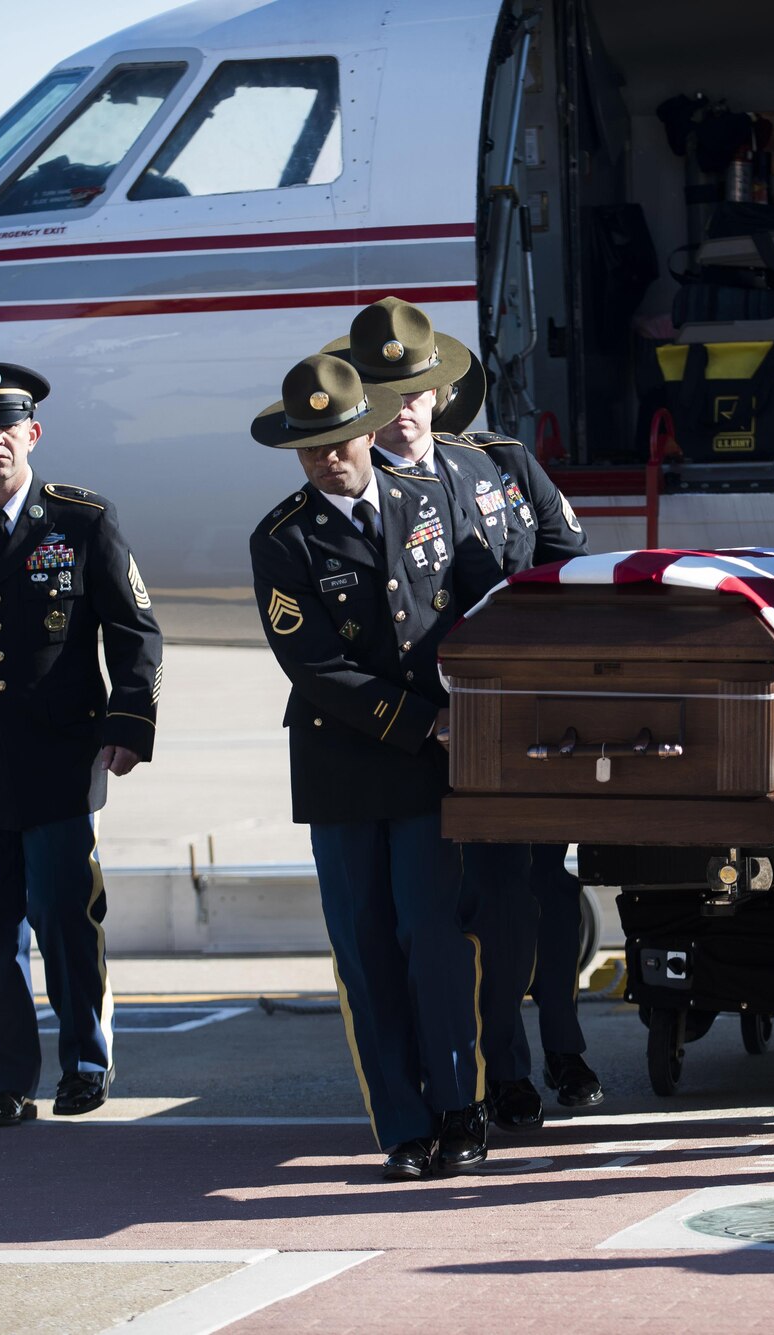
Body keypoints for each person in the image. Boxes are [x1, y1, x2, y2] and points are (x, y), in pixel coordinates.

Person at [326, 297, 591, 1131]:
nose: (403, 410)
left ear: (440, 393)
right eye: (384, 392)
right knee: (469, 907)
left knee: (539, 893)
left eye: (416, 390)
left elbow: (564, 563)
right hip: (426, 731)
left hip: (519, 720)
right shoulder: (371, 495)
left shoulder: (501, 462)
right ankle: (503, 1069)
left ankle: (563, 1046)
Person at [248, 352, 503, 1181]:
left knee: (432, 938)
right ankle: (403, 1123)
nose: (328, 457)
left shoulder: (429, 497)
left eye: (338, 439)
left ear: (366, 428)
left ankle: (461, 1107)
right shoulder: (282, 538)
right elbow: (314, 664)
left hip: (432, 768)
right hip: (346, 768)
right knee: (366, 951)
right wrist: (425, 723)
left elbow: (481, 601)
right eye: (309, 446)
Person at [0, 363, 162, 1128]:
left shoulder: (83, 519)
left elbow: (137, 631)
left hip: (60, 755)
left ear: (33, 434)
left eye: (7, 427)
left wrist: (129, 724)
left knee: (63, 915)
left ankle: (85, 1062)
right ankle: (6, 1079)